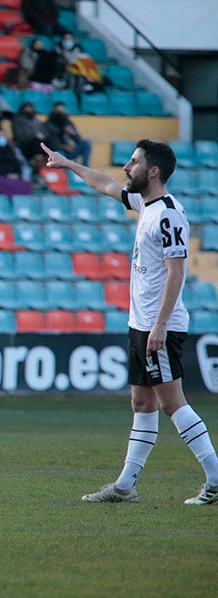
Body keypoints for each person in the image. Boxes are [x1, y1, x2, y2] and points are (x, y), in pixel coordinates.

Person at [43, 140, 218, 506]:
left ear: (153, 171)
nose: (127, 166)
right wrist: (68, 164)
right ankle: (125, 486)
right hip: (141, 324)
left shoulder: (169, 214)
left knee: (172, 404)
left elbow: (177, 272)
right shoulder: (146, 204)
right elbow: (105, 184)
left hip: (159, 326)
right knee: (142, 403)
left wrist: (160, 324)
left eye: (134, 162)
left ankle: (216, 478)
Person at [44, 102, 92, 167]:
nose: (61, 113)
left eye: (62, 111)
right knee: (59, 153)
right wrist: (63, 147)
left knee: (87, 142)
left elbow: (79, 140)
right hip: (57, 153)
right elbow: (51, 144)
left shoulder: (68, 123)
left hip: (69, 151)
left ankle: (85, 167)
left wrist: (72, 133)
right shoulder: (48, 124)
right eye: (59, 111)